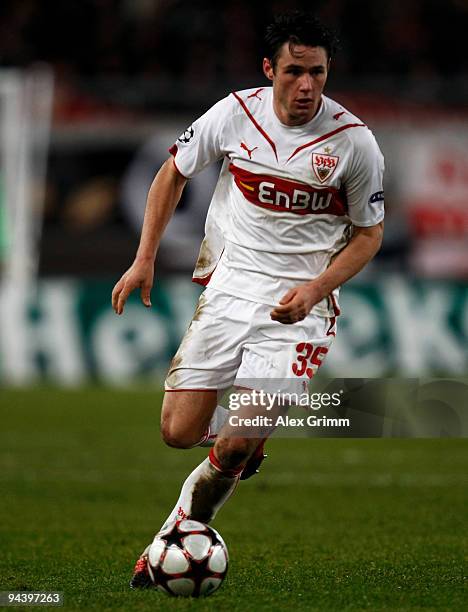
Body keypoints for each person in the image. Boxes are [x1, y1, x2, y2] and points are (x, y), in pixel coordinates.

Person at [111, 11, 384, 588]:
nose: (306, 86)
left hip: (298, 310)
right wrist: (145, 256)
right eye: (294, 72)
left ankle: (174, 537)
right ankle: (240, 441)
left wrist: (315, 289)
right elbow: (173, 172)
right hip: (231, 286)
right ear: (270, 70)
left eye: (317, 73)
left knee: (234, 444)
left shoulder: (354, 143)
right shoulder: (236, 113)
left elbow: (368, 236)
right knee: (179, 433)